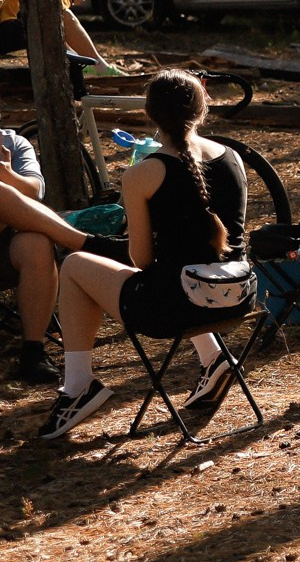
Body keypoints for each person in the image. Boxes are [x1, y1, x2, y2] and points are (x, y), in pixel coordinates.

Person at [46, 70, 251, 440]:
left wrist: (90, 244)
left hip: (176, 309)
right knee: (182, 274)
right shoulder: (234, 158)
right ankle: (215, 357)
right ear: (203, 109)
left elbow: (140, 260)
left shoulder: (142, 174)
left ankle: (78, 387)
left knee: (75, 266)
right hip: (238, 298)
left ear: (150, 113)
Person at [0, 130, 97, 387]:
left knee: (36, 243)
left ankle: (33, 351)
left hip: (4, 247)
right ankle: (87, 242)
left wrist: (6, 174)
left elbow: (34, 193)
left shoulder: (11, 143)